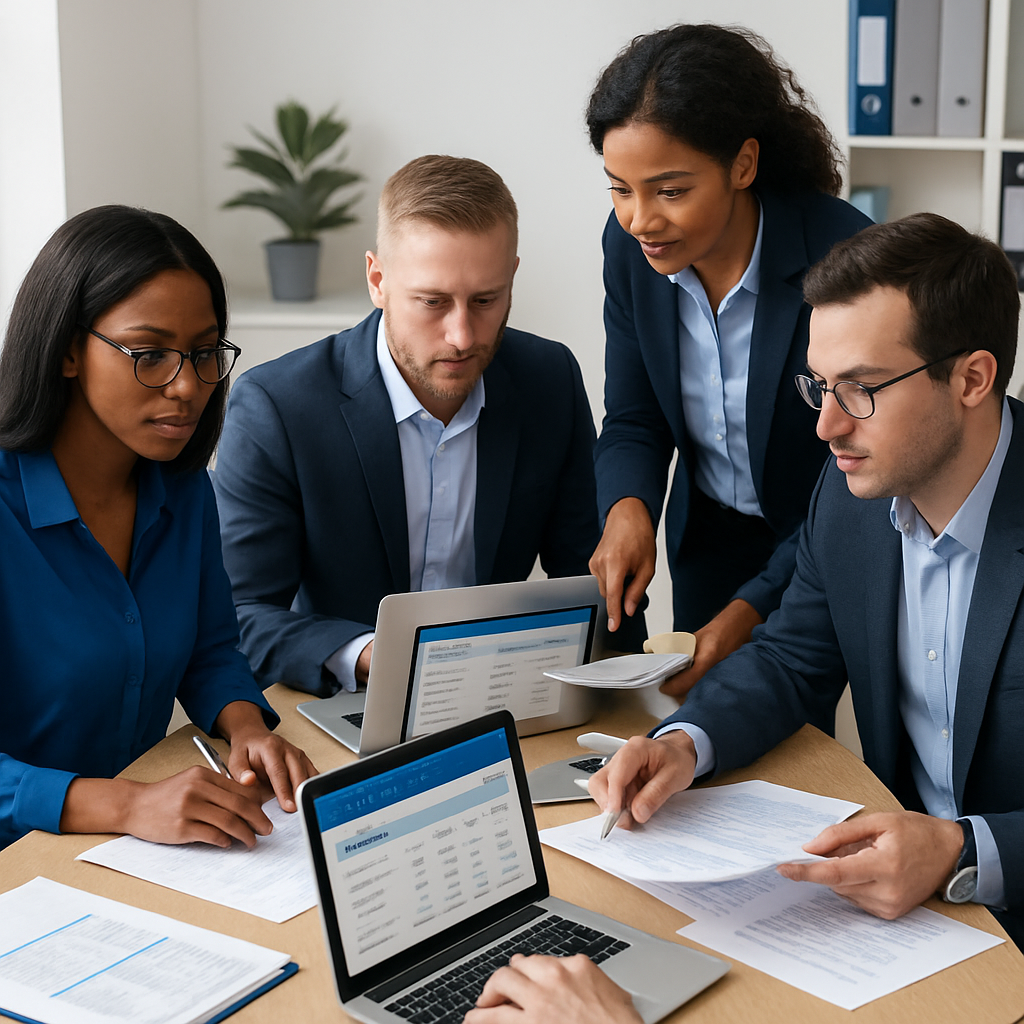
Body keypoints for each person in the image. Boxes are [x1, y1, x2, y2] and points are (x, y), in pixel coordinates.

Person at [589, 213, 1024, 952]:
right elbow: (792, 659)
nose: (825, 427)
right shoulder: (850, 502)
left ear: (972, 378)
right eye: (819, 386)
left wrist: (963, 850)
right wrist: (685, 744)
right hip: (896, 918)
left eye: (860, 389)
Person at [214, 155, 621, 697]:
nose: (461, 335)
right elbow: (237, 616)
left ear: (512, 278)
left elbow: (590, 579)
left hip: (504, 698)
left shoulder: (549, 380)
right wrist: (373, 656)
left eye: (485, 300)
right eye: (432, 302)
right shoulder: (277, 407)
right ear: (377, 280)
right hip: (345, 700)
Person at [0, 205, 316, 852]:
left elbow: (210, 651)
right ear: (66, 350)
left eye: (204, 353)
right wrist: (130, 802)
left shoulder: (181, 487)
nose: (187, 387)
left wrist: (247, 728)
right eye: (149, 354)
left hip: (133, 853)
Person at [585, 24, 871, 695]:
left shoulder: (846, 258)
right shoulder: (631, 250)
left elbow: (854, 469)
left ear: (743, 165)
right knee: (697, 737)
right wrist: (628, 508)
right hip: (707, 536)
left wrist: (754, 607)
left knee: (791, 737)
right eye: (619, 189)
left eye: (670, 190)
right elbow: (634, 414)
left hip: (825, 531)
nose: (639, 219)